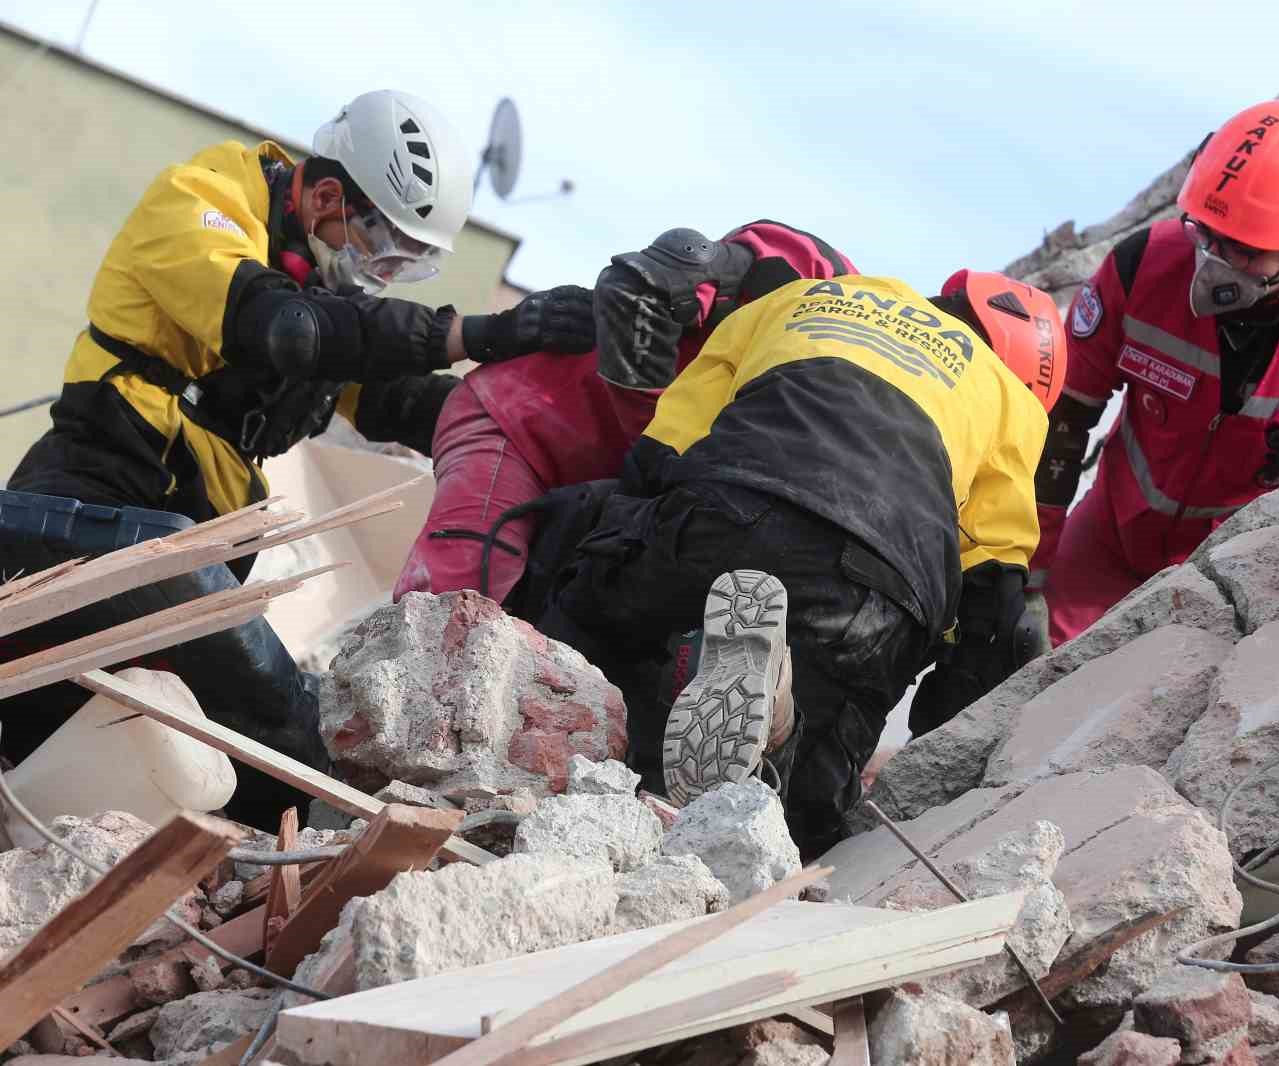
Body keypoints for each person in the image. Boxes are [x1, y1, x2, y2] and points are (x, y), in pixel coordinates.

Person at [0, 90, 595, 828]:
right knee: (46, 704)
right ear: (323, 196)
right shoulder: (203, 201)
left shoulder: (326, 299)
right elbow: (286, 331)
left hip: (201, 537)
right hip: (98, 490)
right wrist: (477, 331)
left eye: (405, 265)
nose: (379, 273)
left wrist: (547, 423)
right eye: (382, 248)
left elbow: (398, 398)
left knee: (211, 760)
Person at [540, 269, 1064, 856]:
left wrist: (618, 564)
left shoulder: (802, 297)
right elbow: (994, 599)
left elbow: (663, 449)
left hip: (725, 510)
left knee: (601, 635)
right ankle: (785, 736)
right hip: (871, 593)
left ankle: (569, 761)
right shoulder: (1007, 400)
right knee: (802, 825)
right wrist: (938, 729)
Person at [1034, 99, 1279, 646]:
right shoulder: (1140, 266)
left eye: (1242, 251)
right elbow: (1060, 419)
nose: (1214, 261)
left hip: (1235, 580)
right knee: (1020, 670)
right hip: (1109, 542)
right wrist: (1023, 570)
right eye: (1206, 234)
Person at [393, 220, 856, 614]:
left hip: (607, 488)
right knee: (457, 608)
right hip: (520, 424)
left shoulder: (865, 429)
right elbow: (639, 286)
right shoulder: (818, 276)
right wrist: (659, 452)